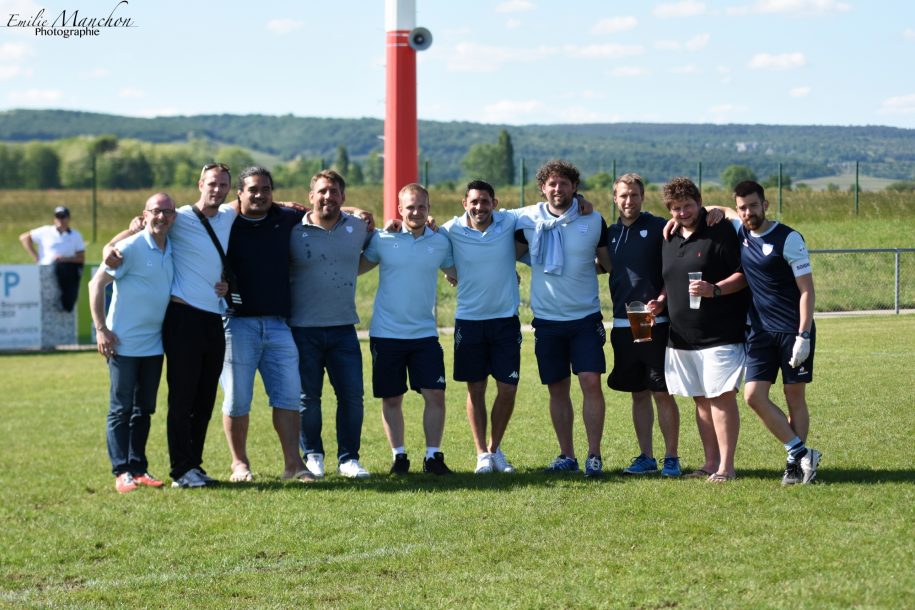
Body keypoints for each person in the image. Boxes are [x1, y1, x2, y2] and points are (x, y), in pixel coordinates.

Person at [105, 163, 237, 488]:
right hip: (182, 318)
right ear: (199, 184)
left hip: (213, 319)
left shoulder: (230, 216)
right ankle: (180, 470)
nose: (216, 190)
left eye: (223, 185)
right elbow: (138, 228)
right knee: (182, 398)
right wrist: (111, 247)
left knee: (205, 398)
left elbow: (270, 205)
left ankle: (195, 465)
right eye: (211, 184)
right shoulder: (176, 215)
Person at [515, 160, 612, 477]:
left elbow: (607, 263)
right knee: (557, 389)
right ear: (543, 188)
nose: (558, 189)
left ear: (574, 187)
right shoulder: (526, 219)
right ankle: (567, 455)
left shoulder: (594, 220)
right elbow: (500, 245)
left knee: (590, 383)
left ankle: (594, 455)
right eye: (552, 184)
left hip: (585, 318)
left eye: (564, 184)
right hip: (547, 320)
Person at [219, 166, 313, 483]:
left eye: (266, 189)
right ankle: (239, 464)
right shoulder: (224, 221)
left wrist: (368, 214)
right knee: (237, 399)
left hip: (278, 326)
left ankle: (293, 465)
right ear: (239, 194)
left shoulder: (285, 217)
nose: (259, 195)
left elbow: (328, 210)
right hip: (236, 325)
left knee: (288, 397)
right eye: (253, 190)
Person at [656, 177, 748, 483]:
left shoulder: (720, 228)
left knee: (721, 397)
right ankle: (711, 463)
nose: (683, 213)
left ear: (699, 202)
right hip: (682, 337)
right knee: (700, 398)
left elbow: (743, 274)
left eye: (688, 206)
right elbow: (672, 280)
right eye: (676, 208)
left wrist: (715, 290)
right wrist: (661, 301)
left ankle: (727, 467)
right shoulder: (669, 236)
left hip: (720, 333)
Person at [360, 183, 456, 475]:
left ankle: (432, 457)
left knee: (435, 395)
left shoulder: (440, 241)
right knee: (392, 398)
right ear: (400, 209)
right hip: (386, 334)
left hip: (425, 335)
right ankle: (399, 457)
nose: (415, 212)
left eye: (421, 207)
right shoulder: (382, 238)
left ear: (429, 209)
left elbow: (457, 271)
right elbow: (352, 266)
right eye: (410, 207)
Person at [731, 180, 821, 485]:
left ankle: (794, 467)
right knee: (753, 396)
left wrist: (804, 336)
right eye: (742, 207)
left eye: (753, 206)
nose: (748, 212)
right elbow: (711, 208)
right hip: (759, 332)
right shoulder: (741, 232)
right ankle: (801, 451)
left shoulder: (789, 238)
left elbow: (807, 290)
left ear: (765, 205)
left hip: (793, 332)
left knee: (794, 396)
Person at [89, 193, 176, 493]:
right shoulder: (129, 248)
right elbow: (95, 284)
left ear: (174, 217)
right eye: (155, 212)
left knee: (144, 410)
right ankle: (121, 471)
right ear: (145, 214)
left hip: (154, 346)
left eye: (167, 212)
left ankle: (138, 468)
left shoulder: (174, 247)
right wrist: (101, 329)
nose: (161, 217)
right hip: (123, 346)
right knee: (120, 409)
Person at [289, 170, 372, 479]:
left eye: (334, 191)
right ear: (311, 197)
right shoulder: (292, 228)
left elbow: (381, 245)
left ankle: (349, 458)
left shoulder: (359, 227)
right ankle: (313, 456)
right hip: (302, 328)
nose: (327, 197)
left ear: (343, 197)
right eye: (322, 191)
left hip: (343, 329)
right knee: (307, 398)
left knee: (351, 397)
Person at [439, 180, 522, 474]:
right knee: (476, 388)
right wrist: (452, 273)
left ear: (494, 204)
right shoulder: (450, 229)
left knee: (508, 388)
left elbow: (543, 210)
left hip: (505, 320)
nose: (479, 207)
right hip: (469, 321)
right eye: (473, 202)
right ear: (464, 203)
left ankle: (495, 449)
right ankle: (481, 455)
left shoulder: (509, 220)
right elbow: (428, 240)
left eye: (485, 202)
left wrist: (580, 202)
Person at [605, 173, 682, 478]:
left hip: (655, 322)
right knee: (638, 393)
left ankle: (671, 458)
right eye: (623, 196)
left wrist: (662, 299)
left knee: (661, 392)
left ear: (642, 196)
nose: (628, 201)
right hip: (624, 324)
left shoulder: (660, 227)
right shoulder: (608, 233)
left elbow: (674, 269)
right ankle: (646, 457)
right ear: (615, 198)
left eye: (634, 195)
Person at [19, 205, 85, 311]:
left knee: (66, 299)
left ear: (68, 218)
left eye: (63, 216)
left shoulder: (75, 235)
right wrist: (36, 256)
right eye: (58, 216)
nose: (60, 219)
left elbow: (81, 258)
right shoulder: (45, 231)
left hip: (67, 272)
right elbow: (24, 237)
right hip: (45, 270)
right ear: (54, 218)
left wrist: (63, 260)